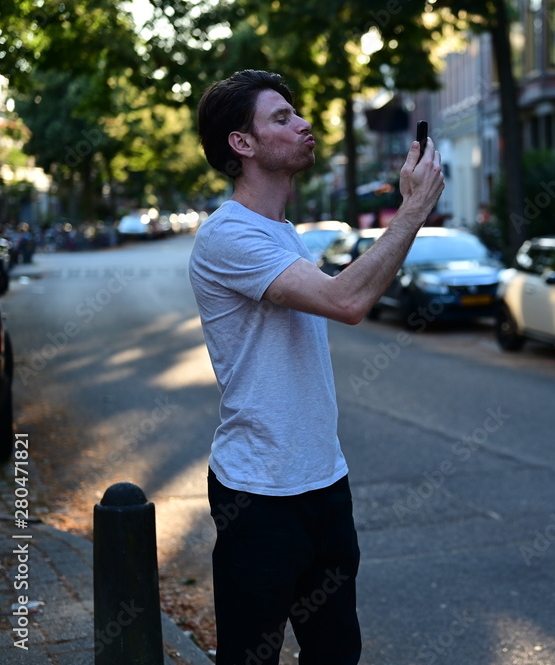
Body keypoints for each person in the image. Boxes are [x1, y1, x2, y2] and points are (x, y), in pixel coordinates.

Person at [189, 69, 444, 665]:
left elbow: (347, 293)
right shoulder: (227, 236)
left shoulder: (282, 233)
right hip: (258, 494)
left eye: (297, 112)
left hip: (324, 483)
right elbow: (347, 301)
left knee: (336, 652)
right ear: (242, 143)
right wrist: (413, 209)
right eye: (282, 118)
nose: (304, 124)